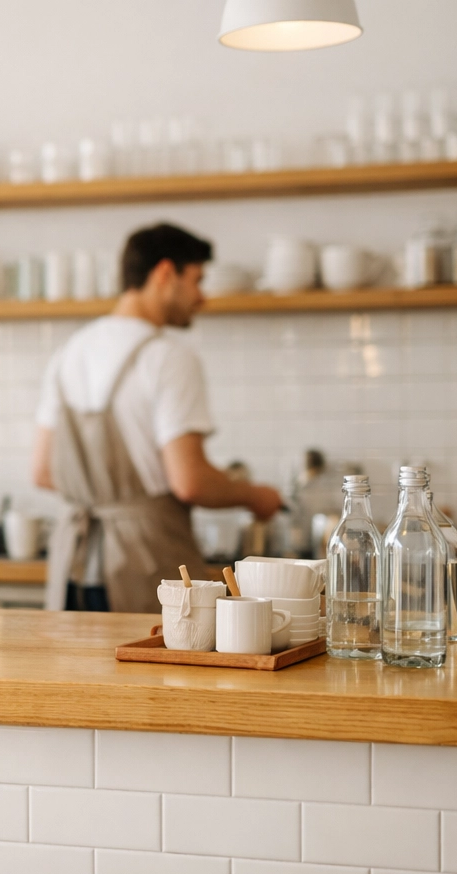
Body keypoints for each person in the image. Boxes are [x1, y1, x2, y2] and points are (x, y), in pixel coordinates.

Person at [32, 223, 282, 613]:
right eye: (197, 280)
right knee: (156, 672)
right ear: (166, 273)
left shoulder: (68, 354)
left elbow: (43, 471)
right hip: (143, 564)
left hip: (73, 567)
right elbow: (190, 482)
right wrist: (256, 496)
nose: (203, 297)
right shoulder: (168, 357)